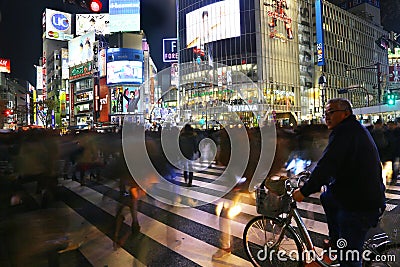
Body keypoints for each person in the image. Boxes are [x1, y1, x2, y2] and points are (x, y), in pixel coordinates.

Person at [293, 98, 386, 267]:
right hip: (361, 196)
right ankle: (336, 244)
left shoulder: (345, 132)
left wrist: (304, 191)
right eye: (325, 113)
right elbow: (334, 163)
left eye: (331, 112)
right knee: (327, 197)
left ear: (346, 113)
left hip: (359, 205)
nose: (327, 116)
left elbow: (328, 164)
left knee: (349, 260)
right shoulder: (352, 130)